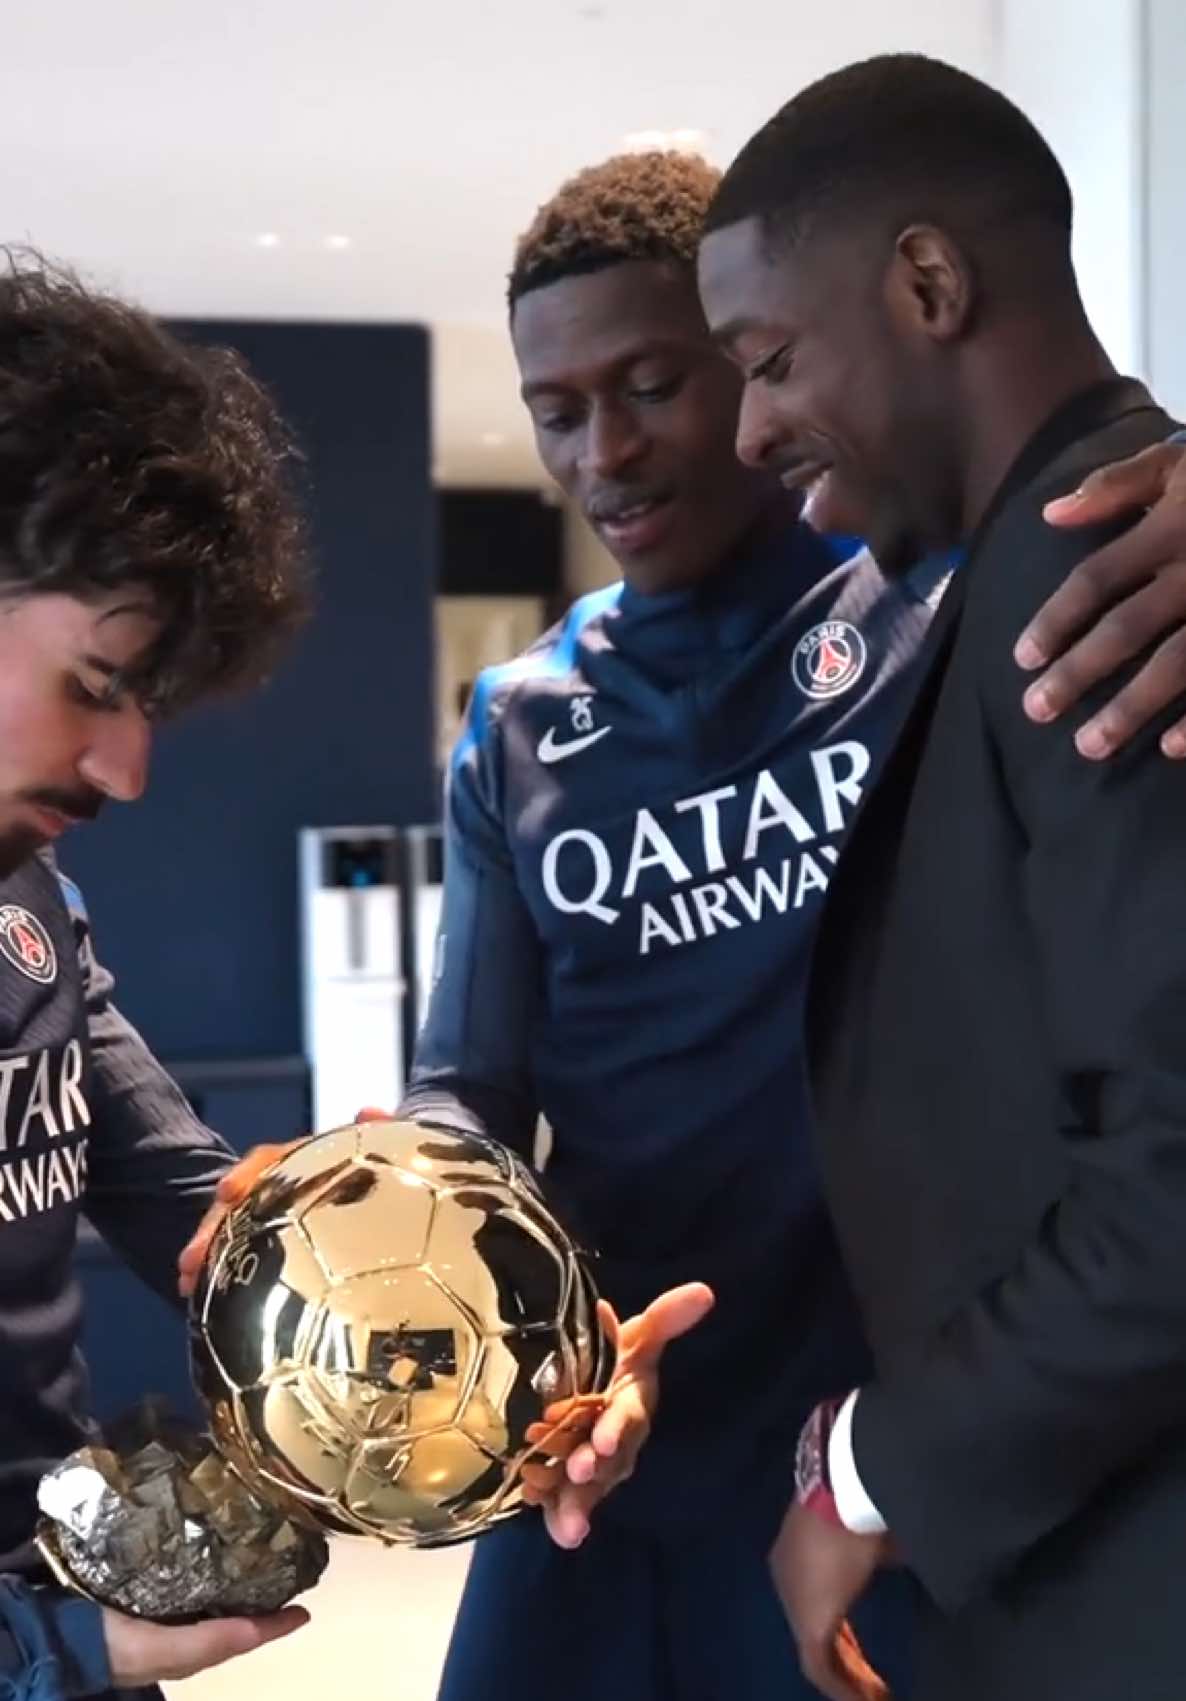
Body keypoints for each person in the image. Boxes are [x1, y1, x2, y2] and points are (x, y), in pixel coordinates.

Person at [185, 147, 1186, 1701]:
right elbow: (475, 1083)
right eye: (557, 410)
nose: (606, 451)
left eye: (656, 382)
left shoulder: (931, 614)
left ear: (751, 361)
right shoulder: (522, 722)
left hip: (889, 1426)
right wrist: (395, 1193)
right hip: (613, 1415)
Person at [699, 51, 1186, 1701]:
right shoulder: (1036, 568)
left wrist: (873, 1468)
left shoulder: (1105, 576)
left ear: (926, 281)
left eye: (766, 361)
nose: (747, 426)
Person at [0, 255, 314, 1700]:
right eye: (97, 685)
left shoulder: (31, 901)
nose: (127, 770)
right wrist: (55, 1647)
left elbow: (206, 1222)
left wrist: (490, 1351)